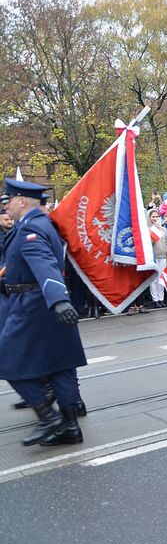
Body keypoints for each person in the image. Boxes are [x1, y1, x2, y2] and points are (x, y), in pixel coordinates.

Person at [0, 179, 86, 446]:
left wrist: (57, 299)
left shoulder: (31, 229)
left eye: (9, 200)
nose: (6, 206)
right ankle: (70, 426)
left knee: (7, 360)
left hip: (33, 304)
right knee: (60, 365)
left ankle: (50, 418)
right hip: (46, 301)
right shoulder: (41, 224)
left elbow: (43, 264)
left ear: (22, 201)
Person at [147, 209, 167, 308]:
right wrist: (155, 230)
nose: (155, 218)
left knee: (161, 278)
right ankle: (155, 299)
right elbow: (150, 243)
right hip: (153, 257)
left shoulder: (164, 229)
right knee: (154, 279)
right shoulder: (148, 229)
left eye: (157, 216)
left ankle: (161, 298)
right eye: (153, 216)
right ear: (149, 218)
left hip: (163, 256)